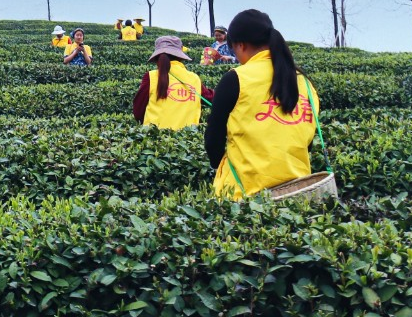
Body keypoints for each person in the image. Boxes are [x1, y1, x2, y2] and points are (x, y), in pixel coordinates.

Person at [206, 10, 322, 198]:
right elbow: (306, 140)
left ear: (240, 45)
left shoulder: (236, 78)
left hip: (244, 196)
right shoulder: (306, 84)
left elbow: (213, 140)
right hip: (297, 195)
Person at [132, 36, 213, 129]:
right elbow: (210, 97)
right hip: (186, 139)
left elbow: (138, 111)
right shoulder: (194, 78)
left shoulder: (151, 77)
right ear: (180, 56)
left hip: (153, 137)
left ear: (157, 57)